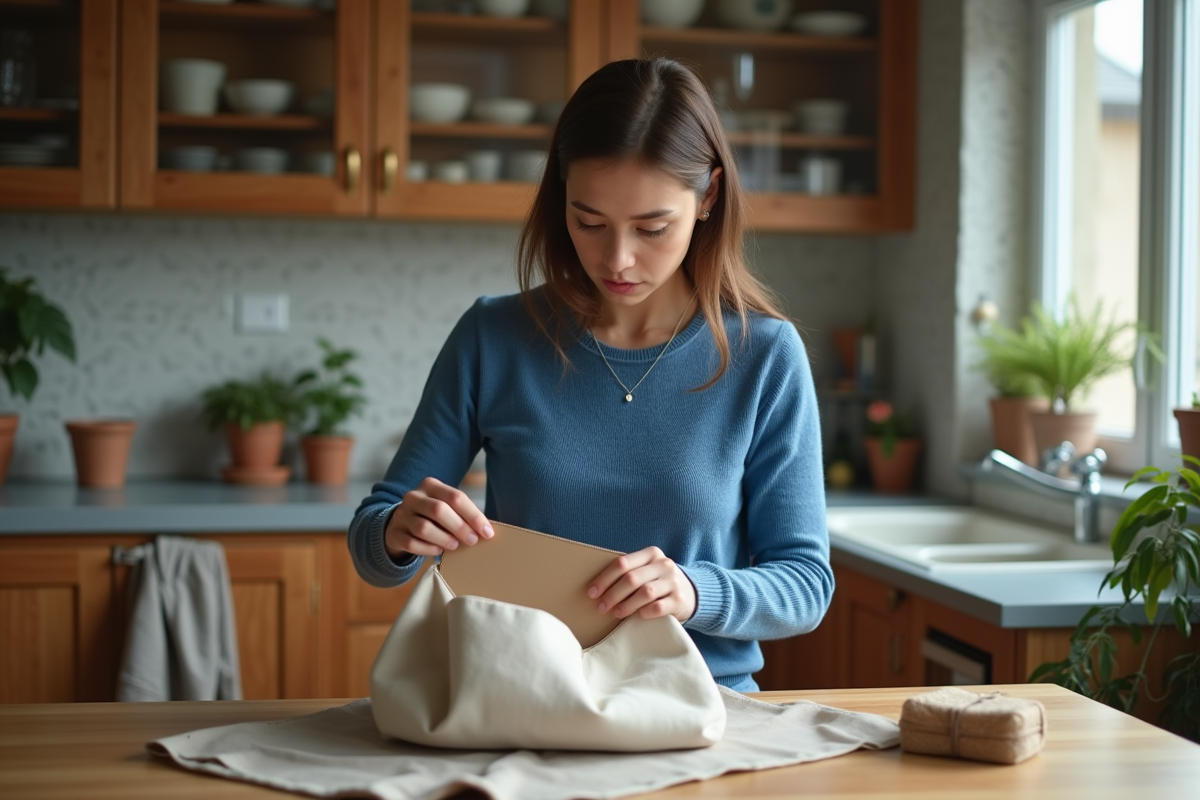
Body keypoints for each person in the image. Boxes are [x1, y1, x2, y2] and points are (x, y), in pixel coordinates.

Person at [349, 58, 832, 693]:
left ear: (708, 196)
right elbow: (376, 539)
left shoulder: (766, 356)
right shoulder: (494, 337)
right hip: (518, 700)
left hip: (700, 708)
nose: (618, 259)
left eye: (652, 228)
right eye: (590, 223)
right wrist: (398, 533)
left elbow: (804, 584)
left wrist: (692, 591)